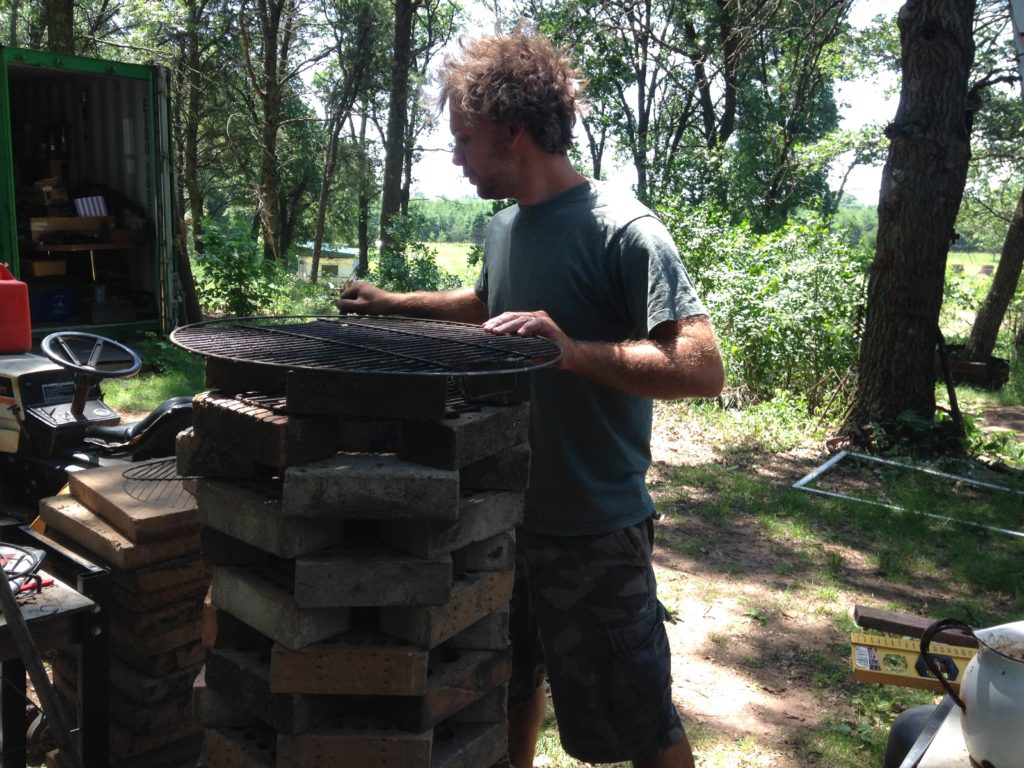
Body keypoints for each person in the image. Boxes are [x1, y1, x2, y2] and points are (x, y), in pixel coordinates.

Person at [337, 27, 724, 768]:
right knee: (511, 675)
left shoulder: (623, 229)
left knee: (639, 718)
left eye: (463, 138)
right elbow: (488, 306)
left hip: (593, 531)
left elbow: (702, 367)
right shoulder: (506, 228)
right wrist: (391, 302)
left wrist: (572, 353)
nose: (455, 156)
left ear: (511, 133)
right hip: (503, 512)